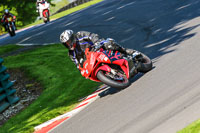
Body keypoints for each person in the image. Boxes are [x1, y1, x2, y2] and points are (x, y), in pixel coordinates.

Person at [60, 30, 137, 69]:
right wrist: (82, 68)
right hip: (93, 60)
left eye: (68, 41)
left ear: (72, 38)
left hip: (98, 48)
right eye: (66, 43)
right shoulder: (71, 53)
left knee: (109, 44)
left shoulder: (80, 34)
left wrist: (96, 42)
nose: (68, 44)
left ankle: (126, 51)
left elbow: (92, 36)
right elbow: (78, 65)